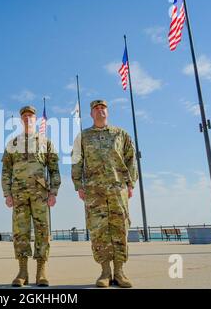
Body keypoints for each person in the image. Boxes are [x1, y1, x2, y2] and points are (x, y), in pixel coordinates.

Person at [71, 100, 138, 288]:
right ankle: (105, 272)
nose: (100, 111)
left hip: (118, 189)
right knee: (98, 230)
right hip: (94, 191)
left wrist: (130, 183)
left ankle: (119, 271)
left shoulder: (121, 134)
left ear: (107, 112)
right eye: (96, 109)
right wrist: (79, 185)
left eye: (103, 108)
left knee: (120, 228)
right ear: (91, 114)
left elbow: (131, 158)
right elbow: (76, 161)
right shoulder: (83, 137)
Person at [1, 105, 61, 287]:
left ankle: (41, 271)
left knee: (42, 231)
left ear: (36, 120)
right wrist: (7, 193)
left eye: (31, 116)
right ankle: (22, 271)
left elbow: (54, 169)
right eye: (25, 116)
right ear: (21, 120)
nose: (28, 119)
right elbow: (5, 171)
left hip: (40, 195)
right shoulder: (12, 144)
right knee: (21, 233)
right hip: (19, 195)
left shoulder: (46, 142)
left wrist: (54, 191)